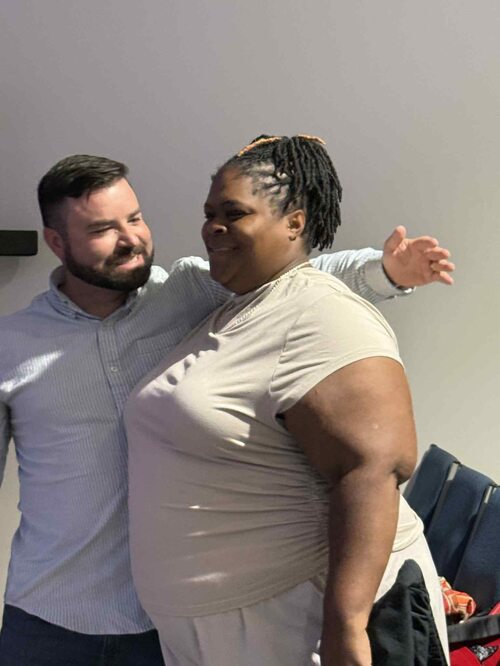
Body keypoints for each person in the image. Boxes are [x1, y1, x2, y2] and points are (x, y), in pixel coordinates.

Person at [0, 154, 453, 666]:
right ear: (56, 243)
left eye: (135, 218)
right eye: (103, 229)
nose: (131, 239)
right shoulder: (11, 346)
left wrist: (385, 271)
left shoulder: (188, 291)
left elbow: (286, 273)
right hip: (53, 620)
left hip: (166, 630)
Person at [125, 135, 450, 665]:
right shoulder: (242, 307)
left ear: (294, 223)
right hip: (230, 631)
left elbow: (373, 469)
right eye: (209, 214)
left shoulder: (324, 317)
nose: (213, 227)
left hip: (299, 628)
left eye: (234, 213)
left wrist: (347, 626)